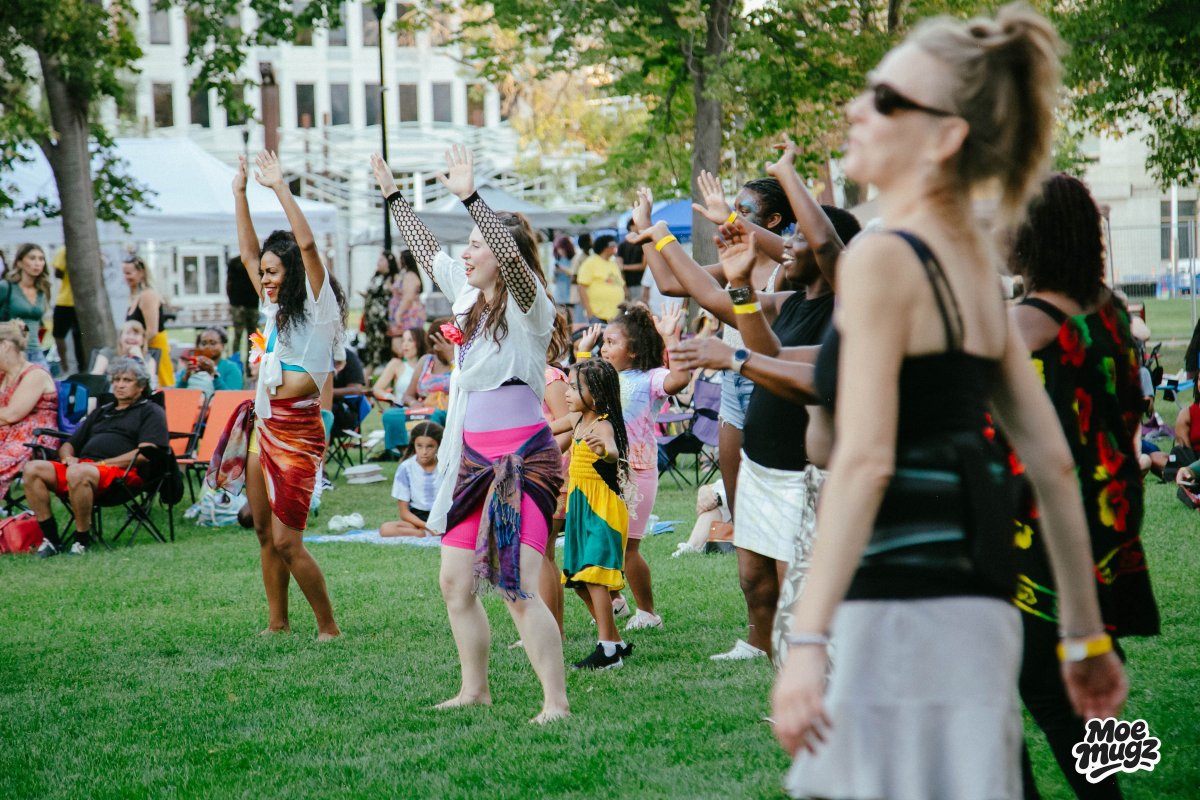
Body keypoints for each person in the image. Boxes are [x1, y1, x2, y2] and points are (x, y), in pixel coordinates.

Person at [764, 8, 1127, 799]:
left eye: (888, 100)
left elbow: (863, 458)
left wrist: (806, 640)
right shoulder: (965, 260)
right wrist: (1083, 633)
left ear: (945, 138)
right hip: (977, 599)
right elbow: (1054, 466)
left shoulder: (886, 257)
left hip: (900, 601)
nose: (859, 109)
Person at [374, 144, 568, 723]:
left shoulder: (532, 303)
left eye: (477, 244)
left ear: (503, 254)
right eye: (470, 242)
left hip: (522, 462)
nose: (467, 252)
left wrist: (472, 198)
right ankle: (474, 688)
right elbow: (426, 248)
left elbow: (509, 258)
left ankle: (555, 702)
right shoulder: (465, 298)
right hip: (473, 461)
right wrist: (392, 194)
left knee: (515, 585)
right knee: (455, 582)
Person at [644, 173, 859, 660]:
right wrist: (738, 282)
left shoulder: (850, 309)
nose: (786, 249)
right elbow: (743, 323)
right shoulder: (791, 301)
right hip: (764, 466)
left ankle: (813, 694)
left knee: (797, 598)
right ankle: (771, 658)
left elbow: (791, 370)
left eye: (796, 240)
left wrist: (787, 172)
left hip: (802, 473)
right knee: (753, 576)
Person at [1009, 173, 1159, 799]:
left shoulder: (1024, 326)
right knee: (1088, 671)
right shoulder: (1111, 310)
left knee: (1036, 688)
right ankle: (1107, 787)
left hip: (1042, 524)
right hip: (1111, 513)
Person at [209, 150, 347, 640]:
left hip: (298, 432)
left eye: (273, 271)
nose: (264, 278)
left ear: (290, 271)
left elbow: (307, 245)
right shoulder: (273, 312)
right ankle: (277, 622)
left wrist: (279, 189)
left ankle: (328, 626)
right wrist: (239, 195)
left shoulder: (316, 306)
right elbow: (247, 253)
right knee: (264, 532)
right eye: (263, 273)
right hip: (261, 426)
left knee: (289, 540)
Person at [658, 174, 798, 529]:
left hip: (765, 380)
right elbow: (671, 283)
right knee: (739, 510)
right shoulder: (731, 264)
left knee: (775, 504)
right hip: (732, 382)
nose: (732, 216)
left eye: (743, 211)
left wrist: (727, 219)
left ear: (774, 221)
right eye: (734, 209)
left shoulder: (789, 267)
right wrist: (652, 234)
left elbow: (739, 313)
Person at [574, 300, 690, 630]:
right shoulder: (607, 376)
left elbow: (680, 379)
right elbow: (580, 396)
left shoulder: (650, 379)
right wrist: (583, 353)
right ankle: (614, 601)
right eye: (604, 342)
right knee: (599, 540)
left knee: (627, 548)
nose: (604, 348)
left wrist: (672, 338)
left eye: (612, 343)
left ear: (635, 350)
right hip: (603, 470)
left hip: (636, 471)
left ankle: (648, 613)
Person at [27, 357, 168, 557]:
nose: (119, 385)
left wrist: (102, 464)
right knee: (33, 469)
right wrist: (68, 458)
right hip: (84, 468)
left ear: (141, 386)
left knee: (79, 472)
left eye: (127, 380)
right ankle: (51, 540)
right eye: (116, 379)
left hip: (122, 474)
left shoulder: (151, 411)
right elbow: (70, 444)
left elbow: (146, 453)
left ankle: (82, 540)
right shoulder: (103, 411)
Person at [558, 358, 634, 669]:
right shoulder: (577, 420)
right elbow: (544, 430)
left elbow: (612, 449)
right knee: (578, 578)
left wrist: (605, 451)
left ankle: (607, 651)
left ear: (597, 394)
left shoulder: (602, 423)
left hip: (602, 510)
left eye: (575, 387)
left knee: (595, 575)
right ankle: (614, 641)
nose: (567, 391)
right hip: (579, 507)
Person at [376, 322, 453, 458]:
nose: (435, 348)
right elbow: (408, 395)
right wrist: (413, 403)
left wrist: (451, 357)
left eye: (439, 343)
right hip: (423, 409)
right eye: (433, 344)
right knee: (389, 416)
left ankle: (432, 455)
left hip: (447, 412)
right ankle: (407, 454)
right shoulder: (426, 361)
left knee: (432, 416)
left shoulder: (459, 362)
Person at [0, 321, 57, 501]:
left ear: (5, 346)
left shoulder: (35, 375)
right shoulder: (3, 375)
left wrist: (5, 416)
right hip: (6, 434)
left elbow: (11, 415)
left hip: (32, 439)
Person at [380, 421, 443, 538]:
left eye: (430, 446)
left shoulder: (447, 467)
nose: (424, 452)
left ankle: (429, 532)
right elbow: (404, 513)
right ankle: (423, 533)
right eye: (419, 446)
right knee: (386, 529)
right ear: (413, 444)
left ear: (439, 446)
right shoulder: (405, 468)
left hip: (443, 517)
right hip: (417, 520)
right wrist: (427, 526)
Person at [121, 254, 175, 388]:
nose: (125, 277)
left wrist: (137, 347)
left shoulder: (148, 295)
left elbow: (152, 331)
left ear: (141, 273)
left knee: (161, 387)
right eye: (124, 273)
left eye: (129, 273)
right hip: (141, 352)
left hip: (155, 351)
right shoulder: (134, 296)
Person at [373, 327, 427, 455]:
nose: (405, 344)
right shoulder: (396, 364)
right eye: (403, 340)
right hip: (402, 409)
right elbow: (377, 388)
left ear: (419, 342)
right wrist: (390, 397)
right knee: (391, 416)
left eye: (410, 340)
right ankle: (404, 451)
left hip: (424, 409)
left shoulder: (429, 363)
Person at [1, 244, 51, 368]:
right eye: (32, 258)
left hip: (36, 351)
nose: (37, 263)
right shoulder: (6, 287)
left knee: (48, 385)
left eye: (41, 259)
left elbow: (33, 322)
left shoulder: (42, 290)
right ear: (19, 263)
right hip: (10, 352)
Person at [360, 250, 400, 373]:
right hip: (371, 322)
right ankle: (369, 379)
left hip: (383, 322)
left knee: (382, 351)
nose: (378, 263)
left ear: (389, 262)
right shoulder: (376, 277)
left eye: (381, 260)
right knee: (371, 351)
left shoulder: (393, 278)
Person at [92, 320, 158, 390]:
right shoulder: (107, 354)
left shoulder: (149, 360)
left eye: (136, 334)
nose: (131, 337)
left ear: (143, 340)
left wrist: (139, 358)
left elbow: (152, 386)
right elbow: (94, 379)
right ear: (120, 337)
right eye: (128, 333)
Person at [177, 327, 244, 396]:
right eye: (203, 343)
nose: (207, 347)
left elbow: (232, 398)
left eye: (213, 343)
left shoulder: (231, 368)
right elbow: (176, 396)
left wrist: (213, 374)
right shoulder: (191, 367)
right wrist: (185, 377)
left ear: (222, 346)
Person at [51, 247, 85, 374]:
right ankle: (65, 365)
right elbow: (58, 273)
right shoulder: (65, 250)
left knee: (80, 336)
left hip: (76, 304)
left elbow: (57, 273)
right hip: (65, 301)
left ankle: (80, 367)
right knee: (58, 335)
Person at [576, 235, 625, 323]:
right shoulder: (590, 262)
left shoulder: (613, 263)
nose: (615, 247)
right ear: (606, 247)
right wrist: (589, 312)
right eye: (613, 245)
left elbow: (620, 284)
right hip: (598, 316)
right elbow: (581, 287)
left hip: (615, 316)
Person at [226, 255, 260, 374]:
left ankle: (246, 365)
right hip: (247, 304)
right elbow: (229, 284)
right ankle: (242, 366)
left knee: (244, 337)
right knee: (246, 336)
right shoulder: (252, 262)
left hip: (245, 304)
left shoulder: (236, 263)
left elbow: (229, 284)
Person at [391, 250, 426, 332]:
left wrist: (398, 314)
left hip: (409, 314)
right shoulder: (404, 274)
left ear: (403, 260)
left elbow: (408, 297)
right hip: (405, 312)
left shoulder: (410, 276)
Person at [615, 219, 645, 301]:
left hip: (639, 283)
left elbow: (643, 266)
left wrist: (624, 267)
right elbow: (619, 267)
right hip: (629, 283)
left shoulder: (643, 243)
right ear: (631, 226)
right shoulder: (622, 245)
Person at [551, 235, 576, 306]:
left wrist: (563, 269)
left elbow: (573, 274)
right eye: (558, 249)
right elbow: (553, 281)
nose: (560, 251)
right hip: (559, 294)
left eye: (562, 248)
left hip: (570, 293)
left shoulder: (573, 260)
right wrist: (555, 273)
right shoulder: (557, 260)